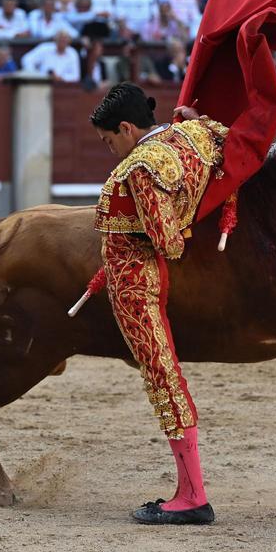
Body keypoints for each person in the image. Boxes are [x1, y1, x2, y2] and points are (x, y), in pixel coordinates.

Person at [90, 83, 228, 525]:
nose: (110, 149)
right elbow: (218, 135)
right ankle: (189, 490)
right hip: (138, 275)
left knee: (163, 378)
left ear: (127, 128)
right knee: (166, 375)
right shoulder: (186, 136)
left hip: (136, 282)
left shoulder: (141, 166)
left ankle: (192, 496)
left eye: (110, 140)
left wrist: (148, 239)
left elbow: (167, 240)